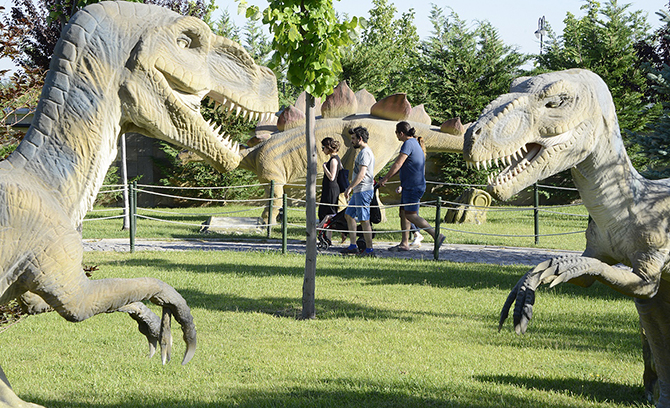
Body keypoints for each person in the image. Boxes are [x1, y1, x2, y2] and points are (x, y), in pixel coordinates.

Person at [379, 121, 446, 251]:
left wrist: (385, 179)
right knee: (403, 213)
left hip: (413, 186)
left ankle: (437, 235)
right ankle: (404, 243)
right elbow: (403, 167)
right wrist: (388, 178)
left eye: (396, 133)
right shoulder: (414, 143)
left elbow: (398, 164)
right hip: (411, 185)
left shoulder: (408, 144)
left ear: (401, 133)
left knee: (411, 215)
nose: (396, 135)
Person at [341, 126, 375, 256]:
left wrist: (349, 187)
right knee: (349, 215)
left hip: (363, 190)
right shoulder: (362, 152)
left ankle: (369, 250)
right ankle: (353, 245)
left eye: (354, 138)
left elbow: (362, 174)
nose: (352, 141)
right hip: (358, 190)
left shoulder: (365, 153)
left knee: (364, 219)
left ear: (360, 139)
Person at [319, 137, 343, 245]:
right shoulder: (335, 158)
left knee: (329, 212)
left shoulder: (334, 160)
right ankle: (325, 237)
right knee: (325, 212)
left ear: (328, 148)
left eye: (323, 147)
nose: (322, 150)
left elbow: (332, 177)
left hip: (331, 189)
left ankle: (324, 235)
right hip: (329, 188)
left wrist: (324, 167)